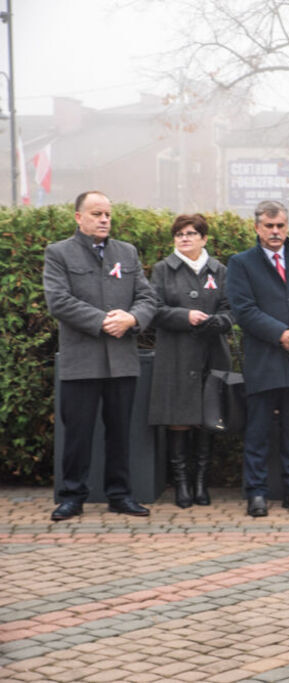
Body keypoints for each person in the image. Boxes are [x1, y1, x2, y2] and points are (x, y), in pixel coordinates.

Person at [43, 190, 158, 521]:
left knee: (120, 432)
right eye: (96, 214)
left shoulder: (127, 252)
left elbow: (147, 298)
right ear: (79, 217)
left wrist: (133, 319)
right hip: (81, 362)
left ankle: (120, 495)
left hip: (122, 360)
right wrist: (104, 322)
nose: (104, 219)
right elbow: (58, 301)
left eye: (107, 214)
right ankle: (71, 496)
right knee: (78, 434)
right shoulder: (59, 253)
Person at [226, 200, 289, 517]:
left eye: (280, 225)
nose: (275, 232)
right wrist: (281, 333)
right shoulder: (242, 263)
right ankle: (256, 493)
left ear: (287, 226)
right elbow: (243, 310)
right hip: (263, 359)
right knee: (258, 430)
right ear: (257, 228)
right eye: (269, 226)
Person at [148, 214, 234, 508]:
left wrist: (218, 321)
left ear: (204, 238)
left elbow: (230, 309)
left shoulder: (219, 270)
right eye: (179, 234)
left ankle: (201, 483)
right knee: (179, 420)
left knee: (207, 420)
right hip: (175, 354)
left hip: (211, 353)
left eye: (191, 233)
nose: (184, 238)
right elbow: (154, 309)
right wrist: (185, 316)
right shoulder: (162, 269)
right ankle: (182, 485)